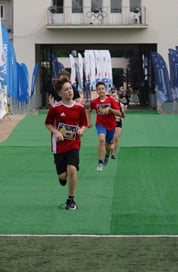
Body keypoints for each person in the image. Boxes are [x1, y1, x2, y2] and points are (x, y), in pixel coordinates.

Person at [44, 77, 89, 210]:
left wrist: (82, 130)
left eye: (70, 88)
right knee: (63, 176)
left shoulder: (79, 108)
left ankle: (71, 199)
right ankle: (62, 177)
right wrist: (56, 132)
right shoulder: (55, 108)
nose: (69, 91)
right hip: (59, 145)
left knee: (72, 169)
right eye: (66, 90)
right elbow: (47, 123)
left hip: (74, 143)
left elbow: (84, 123)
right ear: (60, 93)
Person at [89, 81, 121, 171]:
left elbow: (118, 113)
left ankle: (107, 155)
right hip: (100, 124)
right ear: (96, 91)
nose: (101, 91)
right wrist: (89, 121)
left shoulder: (111, 100)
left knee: (108, 146)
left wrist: (110, 109)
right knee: (101, 139)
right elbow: (90, 110)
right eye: (99, 89)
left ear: (105, 90)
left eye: (102, 89)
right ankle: (100, 162)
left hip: (111, 125)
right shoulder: (94, 102)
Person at [110, 87, 127, 159]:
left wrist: (122, 112)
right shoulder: (108, 105)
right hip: (110, 123)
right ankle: (110, 147)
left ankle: (113, 153)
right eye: (113, 97)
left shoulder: (121, 105)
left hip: (118, 122)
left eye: (115, 96)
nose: (114, 98)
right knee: (110, 139)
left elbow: (124, 116)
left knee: (116, 138)